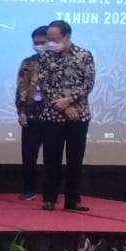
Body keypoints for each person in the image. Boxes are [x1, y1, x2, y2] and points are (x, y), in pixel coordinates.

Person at [39, 19, 94, 212]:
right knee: (51, 159)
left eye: (54, 39)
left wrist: (69, 101)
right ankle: (49, 198)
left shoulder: (84, 55)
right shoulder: (46, 57)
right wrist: (62, 106)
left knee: (75, 160)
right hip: (53, 115)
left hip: (78, 116)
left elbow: (88, 84)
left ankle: (73, 199)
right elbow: (44, 84)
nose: (50, 42)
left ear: (67, 36)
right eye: (49, 39)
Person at [15, 26, 50, 200]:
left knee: (52, 156)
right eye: (35, 43)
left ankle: (50, 191)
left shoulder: (57, 62)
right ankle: (28, 189)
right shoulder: (28, 62)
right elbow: (21, 86)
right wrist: (21, 110)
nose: (38, 46)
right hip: (31, 113)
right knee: (29, 155)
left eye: (42, 42)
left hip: (52, 114)